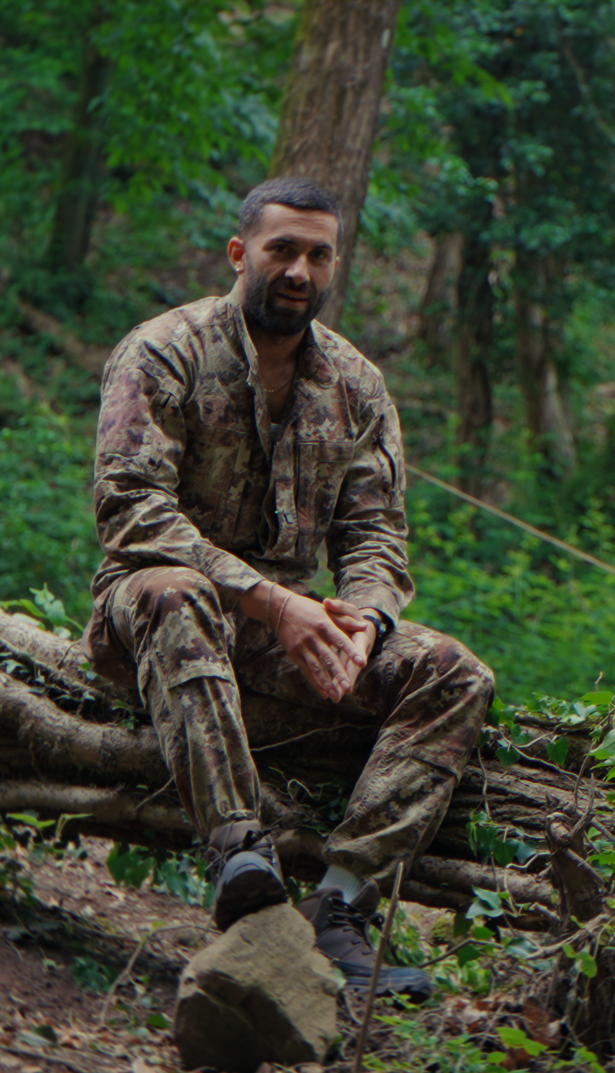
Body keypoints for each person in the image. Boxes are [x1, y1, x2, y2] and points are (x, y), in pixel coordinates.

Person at [84, 177, 492, 1000]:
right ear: (241, 254)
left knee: (456, 673)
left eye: (317, 254)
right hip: (152, 611)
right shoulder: (165, 350)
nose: (299, 270)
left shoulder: (355, 384)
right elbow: (131, 512)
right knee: (176, 591)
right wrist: (274, 601)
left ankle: (341, 906)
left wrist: (366, 624)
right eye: (281, 250)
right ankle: (243, 858)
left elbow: (376, 535)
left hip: (283, 632)